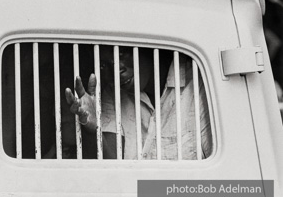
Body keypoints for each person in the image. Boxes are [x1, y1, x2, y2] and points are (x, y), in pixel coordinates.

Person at [65, 47, 212, 160]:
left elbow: (224, 182)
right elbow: (114, 171)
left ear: (145, 48)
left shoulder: (199, 82)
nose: (116, 69)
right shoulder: (113, 94)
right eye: (103, 65)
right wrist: (93, 129)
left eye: (122, 53)